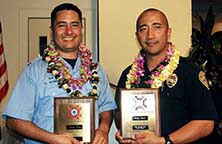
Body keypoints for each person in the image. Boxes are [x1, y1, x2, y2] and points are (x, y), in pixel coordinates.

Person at [2, 3, 116, 144]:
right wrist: (52, 139)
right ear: (52, 30)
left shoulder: (96, 69)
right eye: (62, 25)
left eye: (74, 25)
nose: (69, 31)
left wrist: (103, 129)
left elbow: (107, 107)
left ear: (81, 29)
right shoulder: (35, 71)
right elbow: (13, 121)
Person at [114, 8, 218, 144]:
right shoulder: (128, 75)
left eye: (157, 27)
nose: (150, 35)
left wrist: (165, 141)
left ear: (168, 32)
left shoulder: (190, 72)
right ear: (137, 35)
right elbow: (118, 114)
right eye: (143, 29)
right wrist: (124, 132)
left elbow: (206, 123)